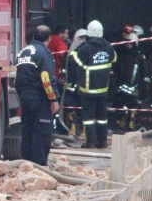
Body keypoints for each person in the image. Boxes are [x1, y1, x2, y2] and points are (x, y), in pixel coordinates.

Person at [15, 25, 60, 166]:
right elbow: (46, 78)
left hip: (25, 97)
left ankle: (26, 164)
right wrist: (53, 99)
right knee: (41, 131)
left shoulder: (23, 52)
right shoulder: (43, 53)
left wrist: (21, 96)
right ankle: (40, 166)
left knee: (27, 130)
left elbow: (18, 78)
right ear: (49, 39)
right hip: (39, 97)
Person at [68, 20, 116, 149]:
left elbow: (75, 61)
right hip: (103, 89)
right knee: (102, 116)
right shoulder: (109, 46)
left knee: (88, 117)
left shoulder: (85, 48)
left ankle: (91, 142)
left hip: (88, 89)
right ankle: (103, 141)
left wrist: (73, 50)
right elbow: (114, 58)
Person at [111, 33, 149, 131]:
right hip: (122, 85)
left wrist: (146, 83)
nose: (128, 45)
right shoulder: (122, 55)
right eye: (127, 43)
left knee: (132, 104)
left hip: (133, 85)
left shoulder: (139, 57)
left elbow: (144, 71)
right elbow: (115, 68)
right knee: (121, 103)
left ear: (134, 44)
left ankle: (131, 122)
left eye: (130, 43)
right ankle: (122, 119)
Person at [63, 28, 88, 136]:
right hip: (71, 84)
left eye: (84, 38)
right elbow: (65, 67)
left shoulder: (88, 52)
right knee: (68, 104)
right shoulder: (69, 52)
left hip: (84, 84)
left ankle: (84, 129)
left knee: (85, 107)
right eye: (80, 38)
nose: (82, 41)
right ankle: (74, 125)